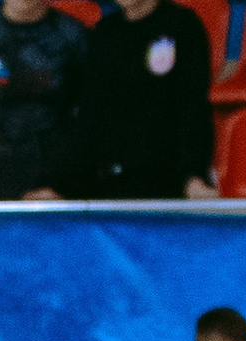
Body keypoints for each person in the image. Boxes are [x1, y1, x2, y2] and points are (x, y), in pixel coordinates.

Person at [0, 0, 90, 214]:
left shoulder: (74, 36)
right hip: (0, 175)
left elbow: (90, 117)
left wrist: (65, 187)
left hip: (59, 179)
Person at [78, 0, 219, 200]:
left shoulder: (182, 25)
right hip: (110, 180)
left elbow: (193, 108)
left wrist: (192, 176)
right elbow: (90, 113)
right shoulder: (106, 32)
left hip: (168, 180)